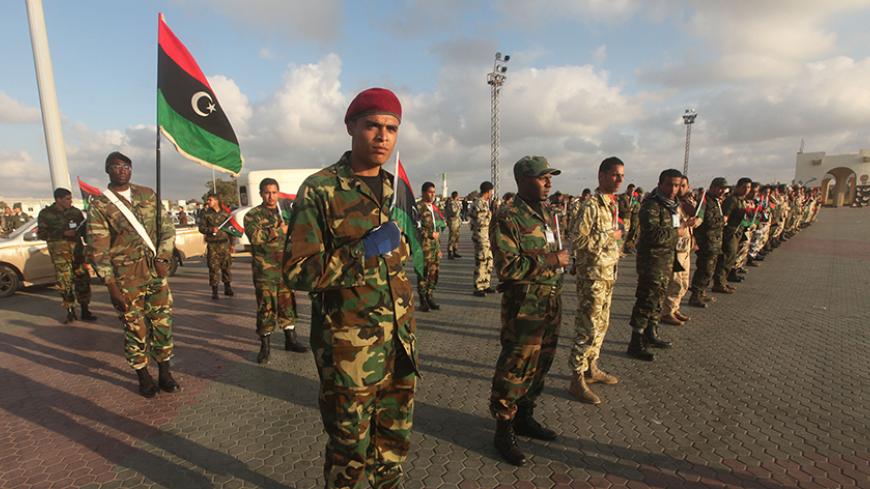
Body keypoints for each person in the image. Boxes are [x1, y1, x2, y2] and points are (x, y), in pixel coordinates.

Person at [284, 88, 418, 488]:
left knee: (393, 443)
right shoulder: (321, 189)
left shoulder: (396, 191)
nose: (382, 136)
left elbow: (402, 255)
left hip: (399, 342)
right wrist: (361, 252)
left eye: (391, 128)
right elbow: (297, 272)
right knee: (349, 449)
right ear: (350, 128)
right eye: (372, 126)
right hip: (348, 352)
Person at [489, 156, 568, 466]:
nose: (549, 182)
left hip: (550, 302)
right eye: (542, 177)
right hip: (524, 307)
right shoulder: (508, 216)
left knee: (541, 364)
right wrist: (553, 261)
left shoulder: (548, 213)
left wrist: (559, 262)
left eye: (550, 177)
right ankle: (503, 429)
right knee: (515, 367)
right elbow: (507, 267)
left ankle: (525, 417)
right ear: (522, 179)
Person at [87, 151, 180, 398]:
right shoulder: (100, 204)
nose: (122, 170)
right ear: (107, 170)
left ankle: (164, 372)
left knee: (162, 324)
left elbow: (166, 229)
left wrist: (163, 256)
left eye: (126, 165)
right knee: (134, 327)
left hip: (155, 274)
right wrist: (110, 285)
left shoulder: (147, 194)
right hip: (126, 280)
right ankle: (143, 376)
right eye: (116, 166)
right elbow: (98, 249)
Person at [566, 157, 624, 405]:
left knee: (602, 324)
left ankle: (592, 367)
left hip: (608, 273)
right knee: (587, 326)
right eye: (614, 174)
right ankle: (576, 377)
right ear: (601, 175)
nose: (619, 179)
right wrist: (610, 236)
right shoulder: (590, 205)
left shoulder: (612, 204)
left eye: (621, 175)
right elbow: (576, 241)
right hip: (592, 276)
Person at [244, 178, 308, 364]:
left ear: (278, 193)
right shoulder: (253, 215)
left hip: (285, 268)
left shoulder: (286, 212)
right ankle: (265, 346)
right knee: (266, 307)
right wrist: (278, 231)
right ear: (261, 193)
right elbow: (255, 237)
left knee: (287, 304)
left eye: (274, 192)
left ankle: (291, 339)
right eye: (266, 192)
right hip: (265, 271)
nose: (270, 196)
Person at [627, 169, 684, 361]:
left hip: (666, 261)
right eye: (669, 184)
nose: (673, 189)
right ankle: (636, 341)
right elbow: (653, 235)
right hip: (652, 261)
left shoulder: (672, 206)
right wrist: (678, 232)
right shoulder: (651, 205)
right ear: (660, 184)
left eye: (676, 185)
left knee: (658, 299)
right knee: (646, 301)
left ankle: (651, 333)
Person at [37, 188, 96, 324]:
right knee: (65, 282)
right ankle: (70, 311)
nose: (70, 201)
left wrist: (91, 244)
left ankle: (85, 309)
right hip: (60, 255)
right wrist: (62, 233)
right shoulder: (46, 214)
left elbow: (83, 231)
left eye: (71, 199)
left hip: (78, 254)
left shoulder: (75, 212)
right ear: (58, 200)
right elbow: (41, 234)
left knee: (83, 280)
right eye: (67, 199)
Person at [661, 176, 699, 325]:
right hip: (676, 248)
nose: (680, 189)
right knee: (675, 282)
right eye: (678, 186)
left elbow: (698, 221)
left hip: (685, 248)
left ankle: (675, 308)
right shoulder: (672, 206)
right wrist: (685, 223)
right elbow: (676, 228)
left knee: (684, 282)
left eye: (683, 186)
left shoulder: (687, 204)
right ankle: (667, 311)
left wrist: (695, 220)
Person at [688, 177, 727, 308]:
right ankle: (695, 296)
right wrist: (723, 220)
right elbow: (707, 221)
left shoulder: (715, 201)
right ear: (713, 187)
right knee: (704, 269)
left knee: (709, 270)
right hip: (706, 242)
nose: (722, 191)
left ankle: (702, 292)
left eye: (724, 189)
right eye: (720, 188)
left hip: (714, 242)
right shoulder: (705, 201)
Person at [714, 177, 752, 291]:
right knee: (726, 257)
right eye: (744, 187)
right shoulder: (732, 200)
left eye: (749, 187)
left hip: (738, 232)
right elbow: (725, 216)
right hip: (730, 232)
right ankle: (719, 283)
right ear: (738, 187)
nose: (747, 190)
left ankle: (723, 281)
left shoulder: (742, 200)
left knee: (731, 258)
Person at [198, 193, 234, 300]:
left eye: (210, 200)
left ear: (216, 201)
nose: (208, 202)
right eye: (208, 200)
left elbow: (231, 230)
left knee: (226, 266)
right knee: (213, 268)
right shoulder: (206, 214)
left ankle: (228, 287)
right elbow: (201, 228)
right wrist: (210, 230)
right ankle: (215, 290)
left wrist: (232, 244)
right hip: (213, 245)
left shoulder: (226, 214)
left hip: (224, 244)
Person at [416, 181, 443, 312]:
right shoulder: (418, 208)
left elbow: (438, 228)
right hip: (423, 247)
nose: (433, 195)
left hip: (435, 247)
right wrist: (428, 234)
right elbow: (414, 228)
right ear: (423, 192)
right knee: (423, 273)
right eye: (430, 192)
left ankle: (430, 296)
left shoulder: (435, 208)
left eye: (434, 192)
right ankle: (422, 300)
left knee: (434, 273)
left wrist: (439, 248)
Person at [471, 181, 495, 296]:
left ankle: (486, 283)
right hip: (481, 236)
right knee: (481, 260)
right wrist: (491, 219)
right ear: (488, 191)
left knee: (489, 260)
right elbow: (481, 221)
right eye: (491, 191)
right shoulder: (478, 203)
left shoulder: (484, 203)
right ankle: (478, 286)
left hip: (486, 236)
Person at [445, 190, 463, 259]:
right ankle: (450, 252)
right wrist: (458, 208)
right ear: (456, 196)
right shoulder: (452, 203)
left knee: (456, 237)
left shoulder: (455, 202)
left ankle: (455, 251)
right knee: (452, 237)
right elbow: (454, 212)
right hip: (453, 222)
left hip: (457, 222)